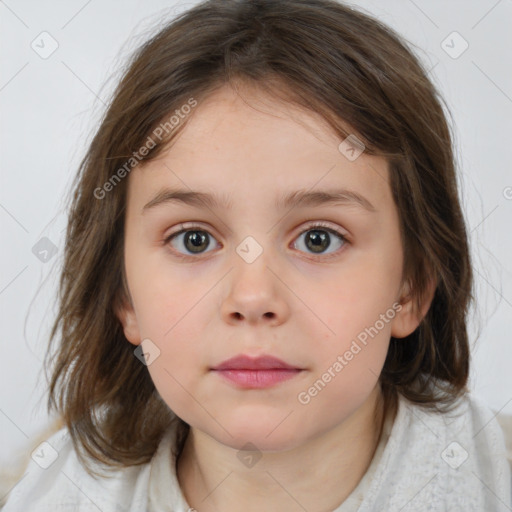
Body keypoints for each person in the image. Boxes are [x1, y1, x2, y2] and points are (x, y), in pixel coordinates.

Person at [2, 0, 511, 510]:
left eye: (318, 239)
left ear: (412, 286)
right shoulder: (40, 492)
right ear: (124, 295)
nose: (252, 297)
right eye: (193, 239)